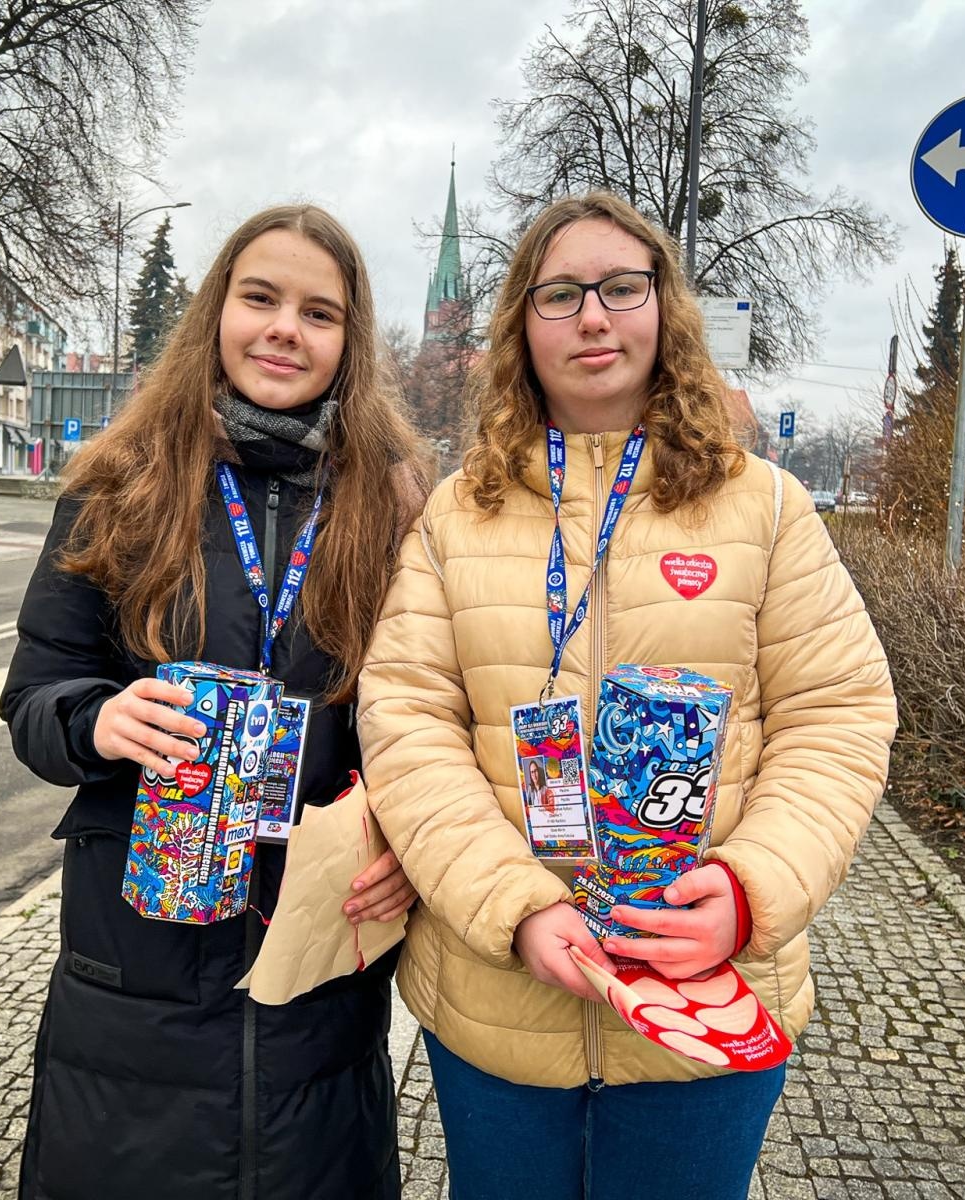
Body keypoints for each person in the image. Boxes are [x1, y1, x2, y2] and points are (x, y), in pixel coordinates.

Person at [356, 192, 897, 1200]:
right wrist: (511, 908)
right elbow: (406, 725)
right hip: (497, 1005)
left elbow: (840, 715)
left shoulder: (765, 506)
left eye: (620, 287)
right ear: (521, 322)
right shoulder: (452, 516)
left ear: (664, 309)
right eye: (560, 295)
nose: (594, 317)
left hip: (706, 1003)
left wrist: (748, 890)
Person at [0, 205, 428, 1200]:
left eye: (319, 313)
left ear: (349, 344)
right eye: (261, 298)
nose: (285, 327)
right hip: (136, 974)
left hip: (312, 968)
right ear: (216, 314)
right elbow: (33, 694)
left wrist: (408, 837)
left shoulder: (393, 506)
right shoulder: (121, 485)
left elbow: (420, 723)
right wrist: (95, 721)